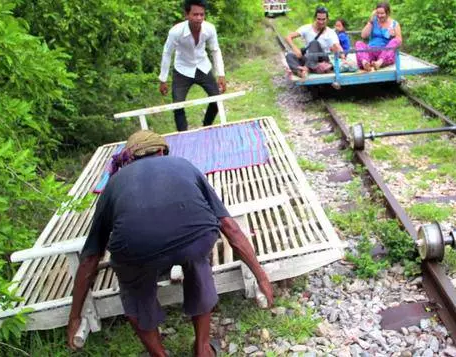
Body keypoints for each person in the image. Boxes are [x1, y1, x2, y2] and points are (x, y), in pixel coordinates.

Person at [66, 131, 274, 357]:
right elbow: (229, 226)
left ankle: (159, 355)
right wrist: (261, 276)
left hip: (138, 250)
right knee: (199, 262)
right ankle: (203, 349)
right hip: (194, 240)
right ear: (161, 151)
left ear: (130, 158)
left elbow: (90, 257)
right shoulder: (184, 165)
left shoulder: (114, 183)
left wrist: (75, 316)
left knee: (135, 289)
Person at [159, 0, 227, 132]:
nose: (199, 18)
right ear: (186, 15)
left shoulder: (209, 29)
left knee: (216, 99)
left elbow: (215, 50)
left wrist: (221, 74)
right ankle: (184, 134)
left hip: (203, 66)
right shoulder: (176, 32)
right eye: (195, 15)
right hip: (182, 69)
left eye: (202, 14)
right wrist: (163, 79)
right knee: (178, 106)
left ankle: (206, 128)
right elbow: (167, 53)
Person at [284, 6, 344, 78]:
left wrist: (343, 58)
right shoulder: (306, 28)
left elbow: (337, 46)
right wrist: (295, 48)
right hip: (309, 59)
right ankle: (300, 71)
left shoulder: (330, 32)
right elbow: (288, 37)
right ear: (315, 18)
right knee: (289, 55)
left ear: (327, 19)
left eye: (323, 19)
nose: (321, 22)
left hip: (322, 60)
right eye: (319, 19)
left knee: (314, 43)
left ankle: (307, 68)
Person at [356, 2, 403, 71]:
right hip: (371, 50)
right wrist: (370, 21)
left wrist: (393, 36)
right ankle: (365, 63)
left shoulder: (394, 24)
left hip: (385, 53)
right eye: (378, 13)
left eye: (382, 13)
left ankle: (379, 63)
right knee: (358, 43)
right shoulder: (373, 21)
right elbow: (363, 35)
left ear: (388, 13)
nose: (379, 15)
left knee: (396, 40)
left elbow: (399, 41)